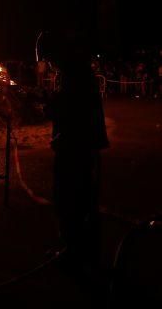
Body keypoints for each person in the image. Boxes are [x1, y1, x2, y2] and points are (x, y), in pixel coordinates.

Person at [42, 31, 109, 279]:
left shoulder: (74, 76)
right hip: (83, 145)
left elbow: (66, 110)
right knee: (82, 201)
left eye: (50, 60)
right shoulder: (77, 72)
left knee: (70, 200)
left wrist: (46, 106)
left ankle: (75, 254)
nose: (50, 66)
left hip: (75, 147)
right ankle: (82, 252)